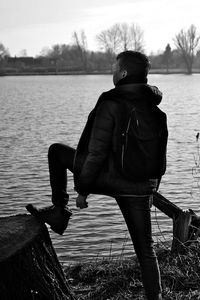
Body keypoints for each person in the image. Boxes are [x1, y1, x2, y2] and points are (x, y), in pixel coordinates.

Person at [27, 51, 168, 300]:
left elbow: (96, 152)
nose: (112, 72)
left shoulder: (111, 102)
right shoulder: (153, 106)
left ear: (123, 73)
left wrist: (83, 189)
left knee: (57, 152)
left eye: (115, 68)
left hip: (114, 179)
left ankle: (60, 212)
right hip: (143, 185)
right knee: (146, 249)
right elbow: (159, 154)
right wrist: (152, 185)